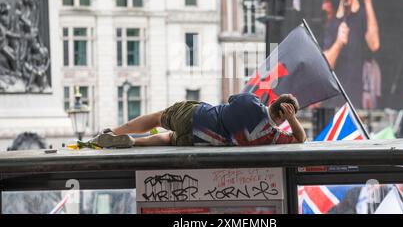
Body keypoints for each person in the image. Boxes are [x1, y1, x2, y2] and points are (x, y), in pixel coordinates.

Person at [92, 93, 307, 148]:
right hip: (201, 141)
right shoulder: (271, 137)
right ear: (285, 115)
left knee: (158, 118)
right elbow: (301, 139)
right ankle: (133, 143)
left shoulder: (251, 101)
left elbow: (232, 99)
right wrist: (292, 120)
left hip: (197, 116)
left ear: (275, 103)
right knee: (168, 139)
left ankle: (115, 132)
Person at [323, 0, 380, 108]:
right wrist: (338, 43)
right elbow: (325, 65)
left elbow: (374, 44)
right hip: (335, 103)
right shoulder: (333, 22)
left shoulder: (363, 13)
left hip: (358, 101)